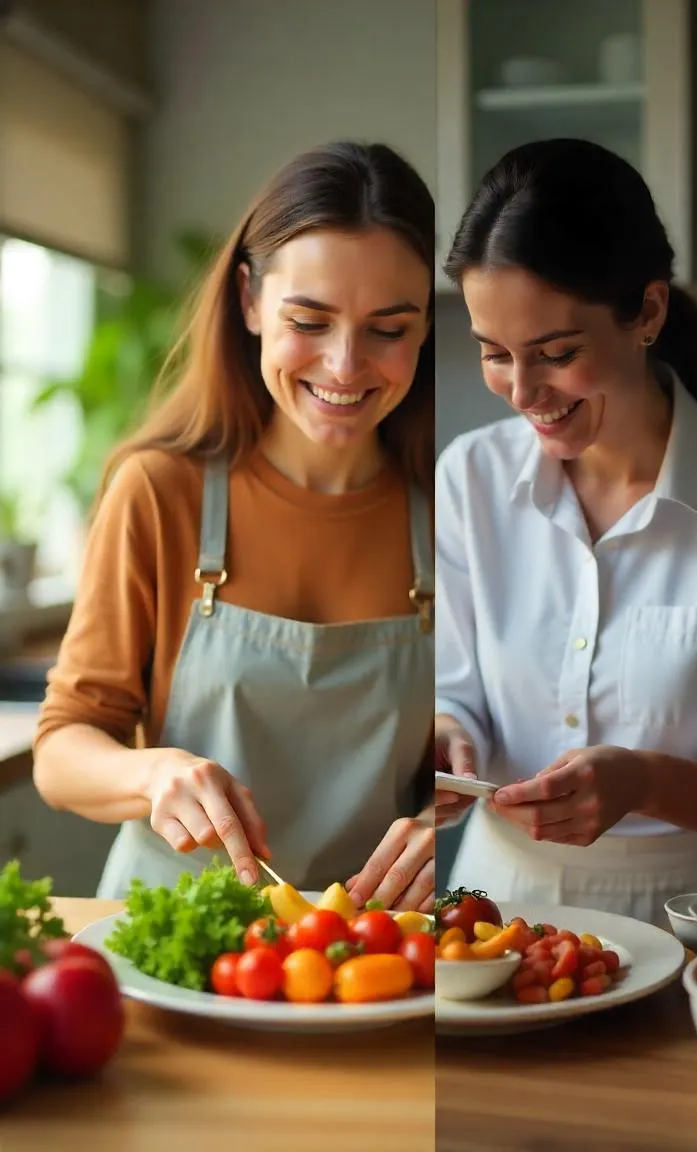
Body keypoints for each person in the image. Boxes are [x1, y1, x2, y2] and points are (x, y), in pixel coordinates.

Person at [434, 138, 697, 930]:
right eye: (494, 354)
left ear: (648, 312)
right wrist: (444, 738)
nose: (523, 392)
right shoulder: (469, 477)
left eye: (556, 354)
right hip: (489, 912)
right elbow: (456, 691)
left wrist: (646, 783)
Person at [33, 141, 435, 912]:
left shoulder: (449, 509)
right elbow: (61, 751)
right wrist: (151, 774)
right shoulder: (159, 491)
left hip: (368, 961)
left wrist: (441, 817)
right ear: (249, 301)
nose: (346, 366)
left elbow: (470, 753)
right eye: (309, 321)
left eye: (389, 329)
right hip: (171, 942)